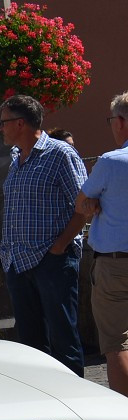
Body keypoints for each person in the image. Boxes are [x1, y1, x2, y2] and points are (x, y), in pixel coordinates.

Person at [0, 94, 88, 376]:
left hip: (51, 261)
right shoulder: (15, 158)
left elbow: (84, 207)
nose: (0, 128)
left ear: (21, 123)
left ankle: (76, 402)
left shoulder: (61, 154)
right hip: (18, 261)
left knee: (63, 338)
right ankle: (42, 401)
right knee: (30, 345)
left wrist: (59, 247)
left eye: (4, 123)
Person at [76, 91, 128, 396]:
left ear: (121, 123)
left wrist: (92, 203)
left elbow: (82, 200)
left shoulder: (111, 161)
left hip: (115, 263)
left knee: (116, 344)